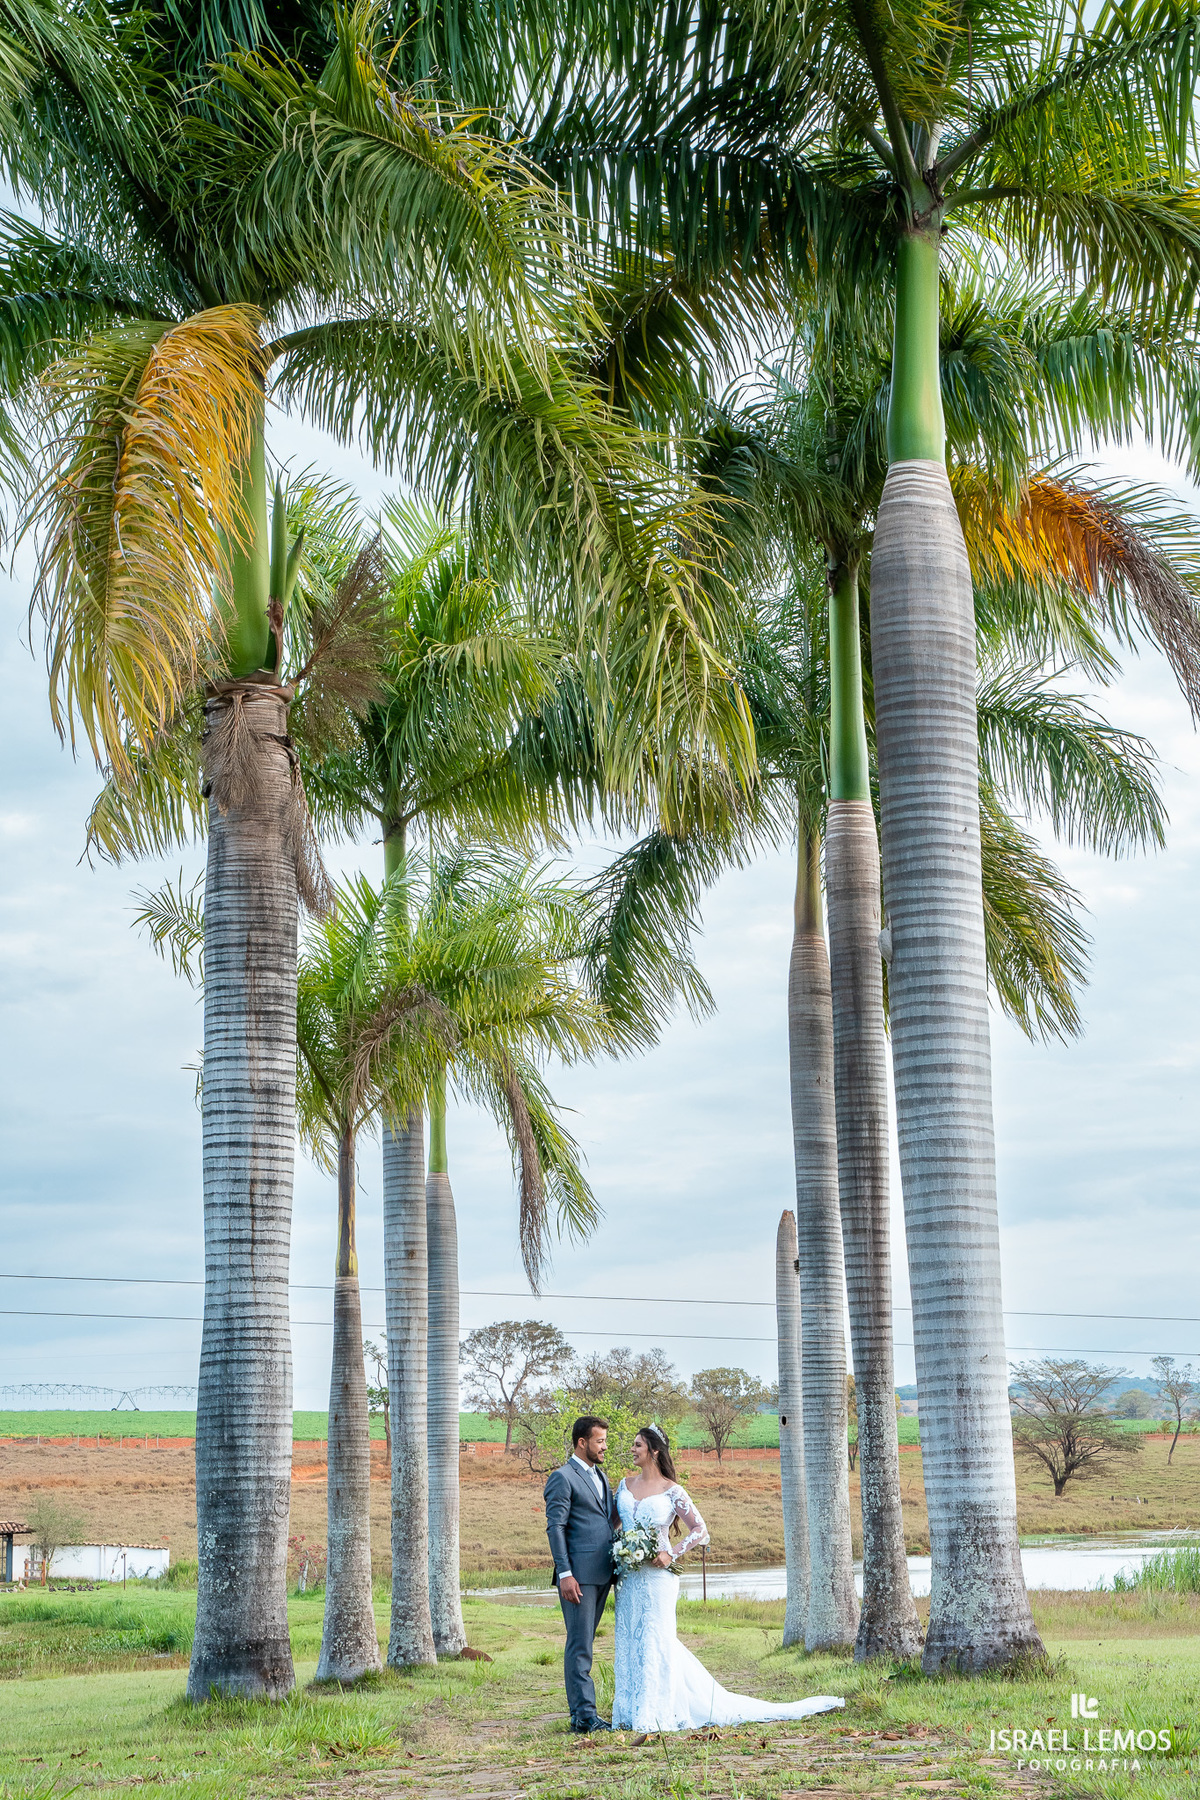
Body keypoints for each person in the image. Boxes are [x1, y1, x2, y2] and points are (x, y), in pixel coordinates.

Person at [611, 1424, 845, 1732]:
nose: (633, 1449)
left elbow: (700, 1530)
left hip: (658, 1578)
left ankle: (655, 1712)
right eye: (634, 1444)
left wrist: (671, 1553)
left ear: (654, 1451)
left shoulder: (673, 1491)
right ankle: (628, 1712)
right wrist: (620, 1550)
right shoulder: (624, 1485)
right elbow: (614, 1524)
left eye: (638, 1444)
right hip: (629, 1576)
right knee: (629, 1637)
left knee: (656, 1639)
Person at [543, 1414, 620, 1733]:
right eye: (600, 1441)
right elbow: (555, 1527)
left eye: (605, 1440)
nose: (604, 1447)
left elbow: (609, 1519)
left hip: (604, 1573)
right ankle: (584, 1716)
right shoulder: (562, 1477)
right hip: (578, 1576)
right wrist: (565, 1574)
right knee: (580, 1645)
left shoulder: (600, 1476)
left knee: (586, 1641)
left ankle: (582, 1713)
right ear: (582, 1442)